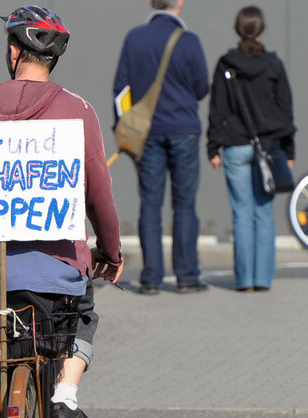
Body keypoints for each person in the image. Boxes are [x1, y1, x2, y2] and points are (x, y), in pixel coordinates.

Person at [0, 6, 123, 418]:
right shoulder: (78, 110)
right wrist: (110, 254)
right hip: (53, 273)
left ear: (13, 53)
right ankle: (65, 396)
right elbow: (99, 196)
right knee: (82, 316)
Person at [113, 0, 209, 295]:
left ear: (153, 3)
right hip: (184, 131)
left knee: (150, 205)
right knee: (184, 206)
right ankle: (187, 277)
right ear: (179, 3)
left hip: (147, 135)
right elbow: (202, 87)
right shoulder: (190, 40)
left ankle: (151, 278)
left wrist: (124, 126)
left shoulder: (134, 38)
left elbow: (121, 91)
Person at [206, 6, 296, 292]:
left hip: (234, 147)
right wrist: (288, 149)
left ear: (237, 29)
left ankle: (244, 281)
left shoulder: (226, 64)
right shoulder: (273, 64)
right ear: (261, 30)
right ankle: (262, 279)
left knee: (242, 213)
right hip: (269, 148)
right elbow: (285, 110)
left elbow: (217, 109)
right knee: (264, 213)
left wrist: (213, 147)